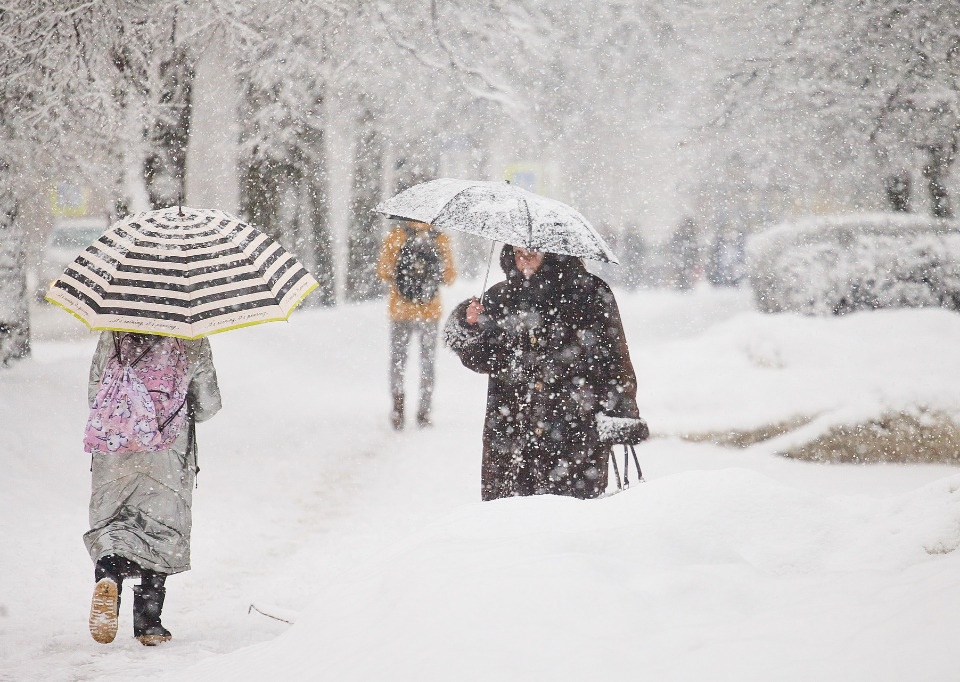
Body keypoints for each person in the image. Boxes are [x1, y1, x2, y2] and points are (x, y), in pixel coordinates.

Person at [444, 245, 639, 500]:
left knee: (569, 517)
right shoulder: (501, 297)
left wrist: (620, 414)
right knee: (509, 522)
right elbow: (483, 360)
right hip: (511, 429)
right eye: (517, 251)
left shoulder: (588, 292)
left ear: (553, 253)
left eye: (533, 251)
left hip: (574, 428)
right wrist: (470, 326)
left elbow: (614, 358)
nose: (524, 258)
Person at [84, 331, 221, 646]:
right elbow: (207, 405)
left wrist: (131, 410)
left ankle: (109, 575)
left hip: (115, 442)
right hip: (166, 448)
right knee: (159, 529)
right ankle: (148, 621)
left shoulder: (115, 330)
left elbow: (95, 392)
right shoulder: (191, 335)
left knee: (114, 523)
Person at [377, 220, 456, 429]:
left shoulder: (396, 236)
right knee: (427, 361)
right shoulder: (440, 239)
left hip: (400, 309)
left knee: (398, 360)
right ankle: (423, 411)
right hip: (429, 311)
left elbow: (383, 271)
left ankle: (397, 408)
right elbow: (450, 277)